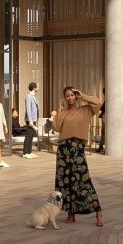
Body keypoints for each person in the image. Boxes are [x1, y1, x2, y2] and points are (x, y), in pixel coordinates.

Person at [52, 87, 103, 225]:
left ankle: (98, 211)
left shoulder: (85, 110)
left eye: (72, 95)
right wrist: (60, 109)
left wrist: (83, 96)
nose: (70, 98)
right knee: (65, 182)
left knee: (82, 180)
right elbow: (56, 128)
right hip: (63, 149)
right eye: (67, 96)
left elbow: (98, 103)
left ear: (76, 95)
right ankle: (71, 213)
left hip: (77, 148)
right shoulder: (64, 112)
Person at [21, 82, 40, 158]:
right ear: (33, 88)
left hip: (34, 118)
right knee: (28, 136)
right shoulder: (29, 96)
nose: (37, 88)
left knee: (32, 136)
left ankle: (29, 151)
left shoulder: (33, 96)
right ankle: (25, 153)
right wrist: (30, 120)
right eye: (36, 87)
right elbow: (28, 109)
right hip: (30, 119)